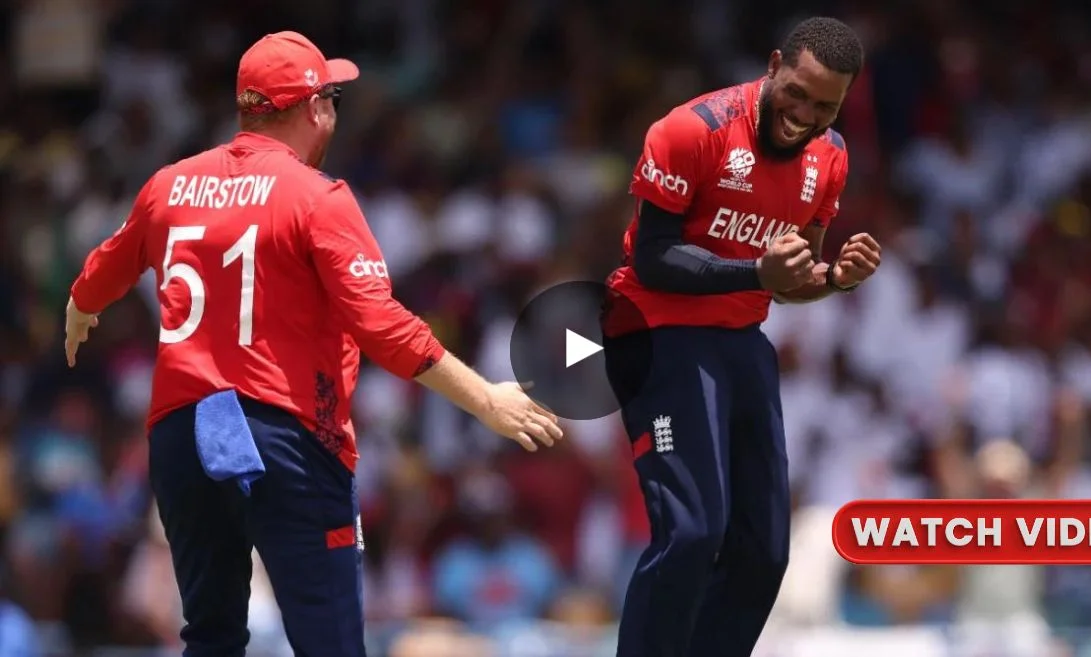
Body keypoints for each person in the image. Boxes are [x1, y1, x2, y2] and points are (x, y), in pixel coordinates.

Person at [62, 31, 563, 657]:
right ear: (314, 108)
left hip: (183, 436)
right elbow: (380, 324)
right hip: (284, 437)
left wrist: (80, 308)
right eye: (331, 97)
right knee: (330, 644)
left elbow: (105, 267)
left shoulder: (169, 185)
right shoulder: (317, 197)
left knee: (210, 638)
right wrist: (485, 399)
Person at [600, 17, 881, 657]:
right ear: (775, 63)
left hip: (739, 340)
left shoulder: (830, 156)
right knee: (694, 532)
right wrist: (756, 270)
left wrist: (835, 278)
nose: (804, 114)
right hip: (656, 331)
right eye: (797, 92)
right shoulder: (691, 130)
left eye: (825, 105)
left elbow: (791, 282)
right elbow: (652, 257)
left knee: (764, 552)